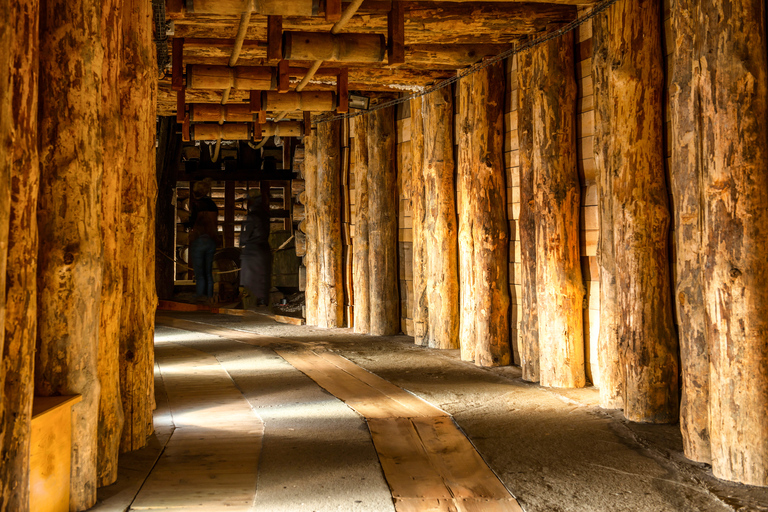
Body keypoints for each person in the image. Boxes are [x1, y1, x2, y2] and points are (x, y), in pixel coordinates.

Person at [188, 179, 219, 302]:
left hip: (199, 239)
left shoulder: (196, 205)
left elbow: (192, 223)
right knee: (208, 271)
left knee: (199, 272)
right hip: (211, 240)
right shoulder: (212, 204)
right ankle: (209, 296)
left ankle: (200, 295)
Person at [239, 194, 272, 307]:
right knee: (263, 276)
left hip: (253, 251)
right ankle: (263, 301)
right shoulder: (265, 216)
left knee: (251, 276)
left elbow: (245, 236)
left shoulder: (252, 217)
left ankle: (251, 302)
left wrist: (242, 242)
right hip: (264, 249)